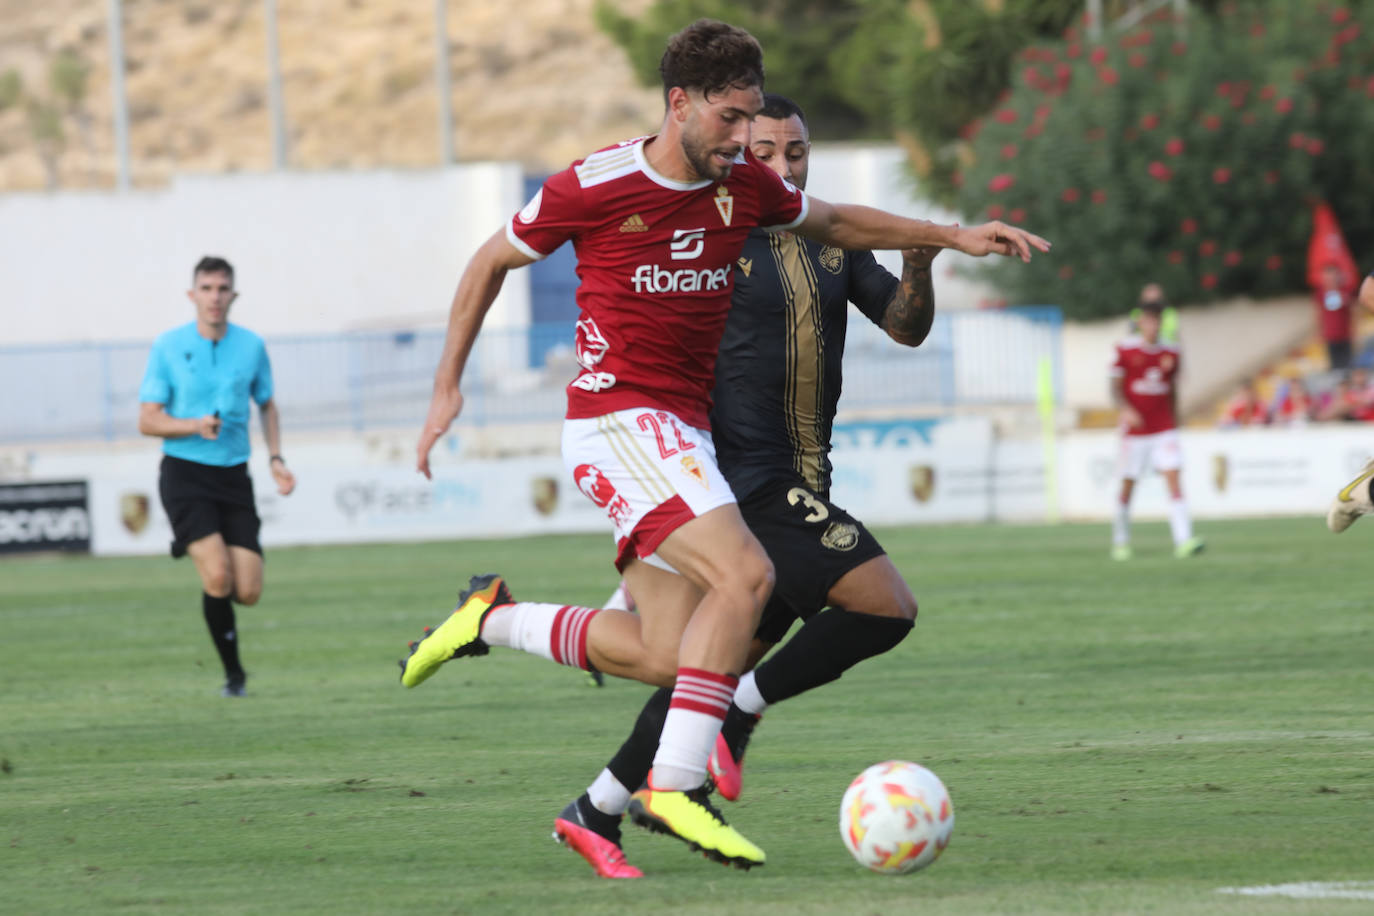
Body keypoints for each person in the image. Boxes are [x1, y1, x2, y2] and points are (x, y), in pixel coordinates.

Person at [396, 19, 1048, 871]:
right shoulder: (595, 184)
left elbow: (841, 223)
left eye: (755, 122)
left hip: (680, 437)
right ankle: (671, 787)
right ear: (681, 104)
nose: (747, 141)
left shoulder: (744, 189)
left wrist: (950, 236)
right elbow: (488, 262)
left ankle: (494, 618)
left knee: (670, 654)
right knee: (749, 577)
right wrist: (447, 384)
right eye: (733, 120)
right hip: (618, 417)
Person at [548, 92, 936, 878]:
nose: (782, 166)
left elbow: (904, 324)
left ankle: (596, 806)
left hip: (802, 476)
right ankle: (734, 718)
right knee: (884, 606)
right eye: (765, 152)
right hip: (746, 480)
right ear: (737, 152)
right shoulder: (716, 237)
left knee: (703, 668)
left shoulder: (828, 244)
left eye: (795, 152)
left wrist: (922, 253)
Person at [137, 256, 296, 697]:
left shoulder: (251, 346)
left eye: (222, 288)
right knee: (218, 578)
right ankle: (235, 677)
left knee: (247, 591)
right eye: (206, 288)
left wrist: (277, 458)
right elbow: (147, 420)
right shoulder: (168, 346)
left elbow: (266, 403)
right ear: (193, 295)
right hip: (184, 475)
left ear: (233, 295)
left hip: (233, 476)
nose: (214, 297)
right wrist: (192, 425)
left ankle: (206, 566)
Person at [1109, 299, 1203, 560]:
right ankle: (1121, 541)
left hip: (1163, 427)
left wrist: (1175, 418)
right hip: (1135, 431)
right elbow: (1114, 388)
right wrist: (1125, 409)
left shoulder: (1171, 353)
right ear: (1140, 322)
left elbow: (1171, 388)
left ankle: (1184, 540)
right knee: (1128, 484)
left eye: (1157, 320)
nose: (1153, 325)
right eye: (1148, 320)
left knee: (1174, 478)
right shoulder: (1124, 350)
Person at [1314, 264, 1358, 370]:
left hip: (1345, 334)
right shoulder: (1321, 293)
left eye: (1333, 276)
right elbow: (1318, 313)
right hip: (1330, 335)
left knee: (1348, 365)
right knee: (1335, 365)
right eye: (1328, 277)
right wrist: (1319, 332)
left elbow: (1353, 311)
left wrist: (1354, 330)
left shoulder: (1345, 291)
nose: (1331, 279)